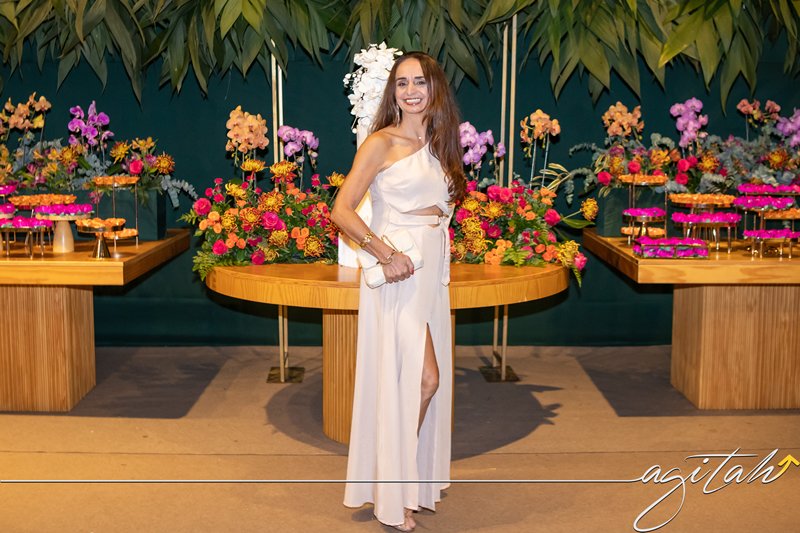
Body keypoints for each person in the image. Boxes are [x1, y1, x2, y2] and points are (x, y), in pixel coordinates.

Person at [332, 51, 466, 532]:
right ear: (393, 91)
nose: (411, 91)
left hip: (431, 275)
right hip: (400, 273)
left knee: (419, 381)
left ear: (435, 88)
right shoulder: (380, 142)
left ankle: (399, 484)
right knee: (424, 380)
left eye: (420, 82)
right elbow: (341, 210)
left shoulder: (440, 143)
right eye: (403, 82)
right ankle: (393, 488)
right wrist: (384, 253)